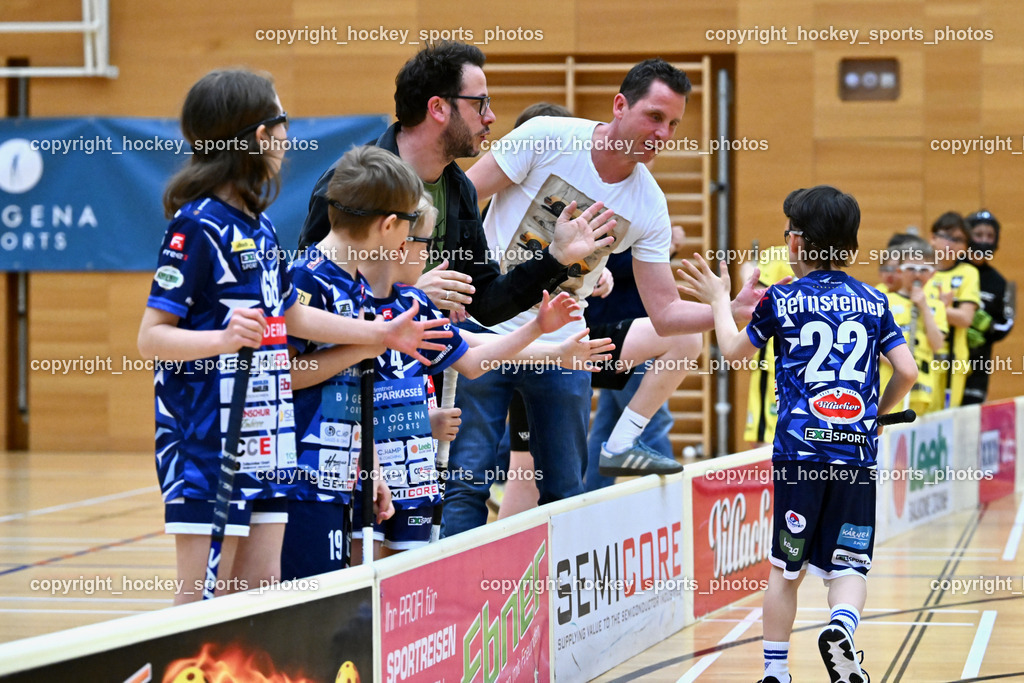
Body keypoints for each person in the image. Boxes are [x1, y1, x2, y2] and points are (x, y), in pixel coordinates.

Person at [137, 69, 449, 602]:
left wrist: (382, 333)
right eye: (282, 122)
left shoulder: (260, 227)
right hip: (210, 442)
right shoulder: (197, 225)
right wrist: (221, 340)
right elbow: (152, 337)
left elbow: (293, 316)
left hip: (270, 437)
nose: (287, 135)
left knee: (263, 597)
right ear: (261, 135)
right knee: (203, 605)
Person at [443, 58, 761, 537]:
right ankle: (459, 585)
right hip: (485, 332)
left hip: (565, 346)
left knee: (564, 493)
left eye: (673, 124)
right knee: (466, 483)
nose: (663, 133)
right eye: (654, 117)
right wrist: (451, 277)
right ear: (619, 106)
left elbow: (665, 312)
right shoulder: (547, 137)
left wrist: (726, 310)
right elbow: (459, 200)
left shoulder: (649, 203)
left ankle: (552, 586)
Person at [283, 147, 613, 569]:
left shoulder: (381, 294)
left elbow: (470, 354)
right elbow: (286, 375)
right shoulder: (314, 278)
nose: (427, 252)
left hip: (375, 473)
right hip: (314, 471)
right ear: (391, 229)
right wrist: (379, 345)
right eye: (420, 239)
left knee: (383, 594)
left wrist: (546, 340)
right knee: (317, 589)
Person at [678, 185, 917, 683]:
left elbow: (732, 352)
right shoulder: (875, 301)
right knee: (849, 566)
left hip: (798, 457)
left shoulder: (782, 298)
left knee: (786, 571)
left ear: (796, 241)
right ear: (850, 245)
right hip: (855, 457)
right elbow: (908, 371)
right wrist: (874, 416)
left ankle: (776, 672)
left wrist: (720, 300)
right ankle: (841, 626)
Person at [298, 42, 598, 329]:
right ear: (438, 108)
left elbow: (486, 302)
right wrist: (409, 295)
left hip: (430, 360)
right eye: (480, 104)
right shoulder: (352, 184)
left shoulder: (460, 188)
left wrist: (555, 257)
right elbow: (313, 294)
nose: (491, 117)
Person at [879, 236, 946, 416]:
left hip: (923, 390)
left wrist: (924, 307)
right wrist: (902, 366)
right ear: (899, 271)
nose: (917, 275)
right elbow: (874, 346)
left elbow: (937, 344)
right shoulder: (885, 302)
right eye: (911, 269)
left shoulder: (936, 307)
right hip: (890, 386)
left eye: (923, 270)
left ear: (932, 274)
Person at [929, 212, 980, 410]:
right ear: (933, 238)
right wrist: (943, 309)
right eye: (946, 237)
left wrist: (932, 307)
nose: (950, 244)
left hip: (953, 360)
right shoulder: (921, 270)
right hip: (923, 355)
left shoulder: (968, 273)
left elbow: (965, 318)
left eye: (958, 239)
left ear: (965, 246)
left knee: (945, 419)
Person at [962, 210, 1015, 404]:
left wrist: (988, 326)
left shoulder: (1000, 282)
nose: (984, 241)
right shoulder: (952, 270)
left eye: (990, 236)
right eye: (978, 234)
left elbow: (1007, 323)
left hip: (978, 364)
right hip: (945, 360)